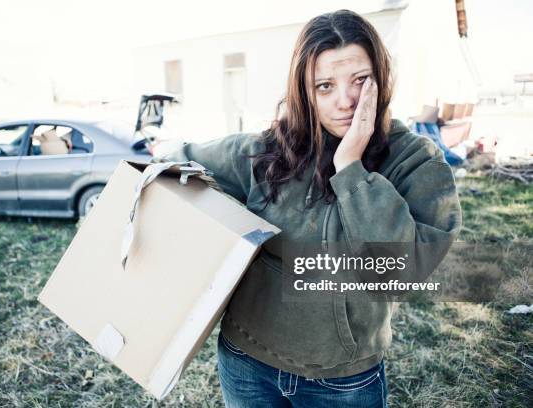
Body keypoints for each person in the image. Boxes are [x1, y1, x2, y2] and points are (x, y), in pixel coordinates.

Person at [157, 9, 462, 408]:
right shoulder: (270, 150)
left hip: (341, 380)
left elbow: (402, 271)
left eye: (360, 81)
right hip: (247, 363)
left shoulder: (415, 161)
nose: (345, 101)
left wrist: (351, 167)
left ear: (382, 77)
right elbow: (176, 162)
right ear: (304, 91)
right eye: (324, 86)